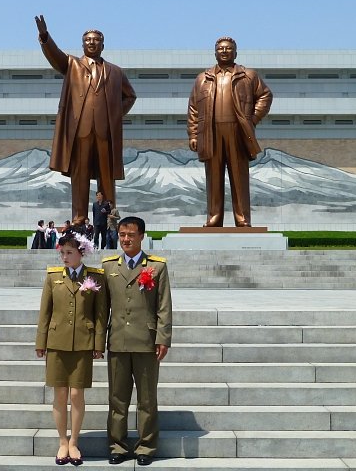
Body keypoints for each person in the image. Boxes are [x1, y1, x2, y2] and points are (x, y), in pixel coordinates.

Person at [35, 15, 136, 221]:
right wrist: (45, 37)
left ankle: (110, 219)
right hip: (80, 131)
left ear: (103, 45)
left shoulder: (116, 72)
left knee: (106, 178)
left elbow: (130, 96)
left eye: (96, 39)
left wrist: (114, 116)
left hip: (105, 133)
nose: (92, 42)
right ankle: (79, 218)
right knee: (79, 177)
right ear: (82, 44)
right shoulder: (72, 65)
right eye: (88, 39)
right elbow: (55, 56)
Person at [102, 216, 172, 466]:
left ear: (142, 236)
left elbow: (164, 306)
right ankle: (117, 446)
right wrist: (100, 342)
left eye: (131, 235)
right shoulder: (109, 266)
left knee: (146, 398)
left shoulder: (156, 267)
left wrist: (163, 338)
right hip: (118, 341)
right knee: (117, 398)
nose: (126, 239)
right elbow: (103, 308)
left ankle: (146, 446)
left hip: (146, 341)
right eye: (122, 235)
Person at [35, 232, 108, 466]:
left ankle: (74, 441)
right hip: (56, 343)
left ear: (81, 252)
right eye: (62, 252)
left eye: (69, 252)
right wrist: (41, 342)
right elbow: (45, 312)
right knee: (60, 394)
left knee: (76, 394)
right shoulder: (52, 277)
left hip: (83, 343)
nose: (64, 257)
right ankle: (62, 441)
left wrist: (99, 344)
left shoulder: (95, 277)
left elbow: (100, 314)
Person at [187, 37, 273, 227]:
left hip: (237, 131)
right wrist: (193, 134)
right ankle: (214, 217)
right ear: (215, 52)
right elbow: (193, 107)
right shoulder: (203, 78)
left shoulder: (248, 75)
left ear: (235, 52)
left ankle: (242, 219)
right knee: (213, 178)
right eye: (221, 48)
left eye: (229, 48)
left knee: (239, 177)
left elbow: (265, 95)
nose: (224, 51)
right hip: (211, 132)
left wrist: (253, 118)